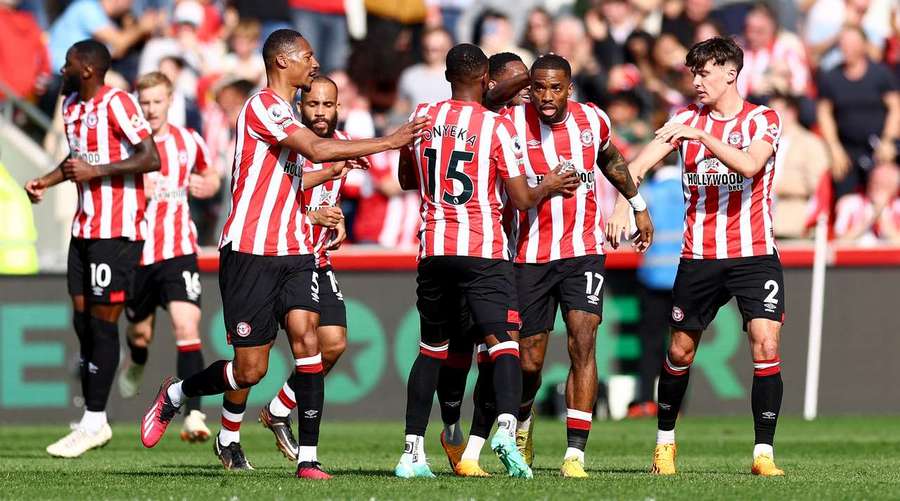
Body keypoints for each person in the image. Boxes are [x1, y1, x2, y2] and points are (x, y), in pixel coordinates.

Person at [139, 29, 428, 480]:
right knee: (249, 369)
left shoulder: (287, 113)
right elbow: (314, 147)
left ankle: (309, 459)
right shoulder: (263, 106)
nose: (314, 63)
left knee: (310, 344)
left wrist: (333, 171)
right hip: (251, 252)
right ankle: (176, 393)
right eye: (307, 56)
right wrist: (389, 142)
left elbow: (292, 180)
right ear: (283, 61)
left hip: (295, 252)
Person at [394, 42, 580, 480]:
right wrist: (550, 184)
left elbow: (406, 179)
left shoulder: (423, 115)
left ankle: (412, 453)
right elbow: (520, 197)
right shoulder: (497, 127)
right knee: (505, 344)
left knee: (430, 351)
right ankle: (506, 431)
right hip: (483, 249)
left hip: (435, 247)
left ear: (446, 77)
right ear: (485, 81)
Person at [605, 36, 786, 477]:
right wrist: (622, 203)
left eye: (705, 72)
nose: (697, 81)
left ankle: (763, 453)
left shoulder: (763, 120)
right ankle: (665, 442)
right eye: (693, 73)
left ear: (731, 72)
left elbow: (749, 166)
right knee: (681, 352)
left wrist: (700, 135)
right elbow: (637, 167)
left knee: (765, 344)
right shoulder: (682, 120)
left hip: (754, 254)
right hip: (700, 257)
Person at [504, 54, 652, 478]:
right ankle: (524, 420)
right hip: (529, 254)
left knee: (583, 340)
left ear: (569, 88)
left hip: (583, 250)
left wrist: (637, 205)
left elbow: (611, 160)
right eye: (539, 88)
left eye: (556, 88)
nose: (547, 97)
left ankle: (575, 454)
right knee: (530, 360)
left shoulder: (592, 119)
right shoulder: (512, 124)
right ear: (529, 88)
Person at [24, 39, 161, 458]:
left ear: (86, 68)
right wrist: (47, 181)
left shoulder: (117, 102)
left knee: (101, 326)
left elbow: (150, 156)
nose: (61, 69)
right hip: (83, 231)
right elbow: (76, 159)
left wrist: (96, 170)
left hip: (116, 232)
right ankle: (94, 410)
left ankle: (94, 421)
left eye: (68, 63)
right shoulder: (71, 107)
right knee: (84, 324)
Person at [433, 51, 532, 478]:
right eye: (518, 83)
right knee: (458, 350)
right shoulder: (481, 114)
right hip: (467, 245)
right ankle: (452, 428)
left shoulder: (527, 118)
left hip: (504, 252)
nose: (526, 89)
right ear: (490, 82)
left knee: (498, 349)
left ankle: (479, 446)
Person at [116, 71, 220, 443]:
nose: (150, 109)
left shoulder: (187, 141)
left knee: (186, 327)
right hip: (138, 253)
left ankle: (193, 413)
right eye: (144, 103)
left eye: (157, 102)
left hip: (178, 251)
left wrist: (207, 184)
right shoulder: (128, 146)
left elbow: (212, 174)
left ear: (170, 100)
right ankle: (137, 361)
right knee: (140, 334)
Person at [258, 75, 356, 460]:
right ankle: (229, 432)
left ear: (337, 107)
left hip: (318, 258)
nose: (319, 113)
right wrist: (313, 214)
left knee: (335, 344)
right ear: (300, 106)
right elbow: (270, 196)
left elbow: (330, 192)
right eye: (312, 105)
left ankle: (278, 409)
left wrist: (339, 220)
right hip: (281, 256)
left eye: (326, 105)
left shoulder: (344, 145)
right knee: (253, 358)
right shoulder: (288, 143)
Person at [627, 157, 683, 418]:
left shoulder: (647, 193)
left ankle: (645, 401)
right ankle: (676, 405)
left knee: (649, 344)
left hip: (652, 277)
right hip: (684, 278)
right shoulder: (688, 188)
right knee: (682, 346)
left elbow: (629, 230)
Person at [817, 26, 900, 199]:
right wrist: (834, 148)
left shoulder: (880, 74)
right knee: (843, 185)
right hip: (847, 148)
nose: (847, 48)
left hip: (878, 146)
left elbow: (895, 107)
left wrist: (888, 140)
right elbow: (824, 112)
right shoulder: (831, 77)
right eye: (844, 43)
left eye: (852, 43)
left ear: (863, 45)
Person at [395, 27, 453, 117]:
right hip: (417, 127)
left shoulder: (458, 76)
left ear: (448, 47)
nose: (431, 51)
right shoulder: (410, 75)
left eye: (436, 49)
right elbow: (401, 108)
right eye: (428, 48)